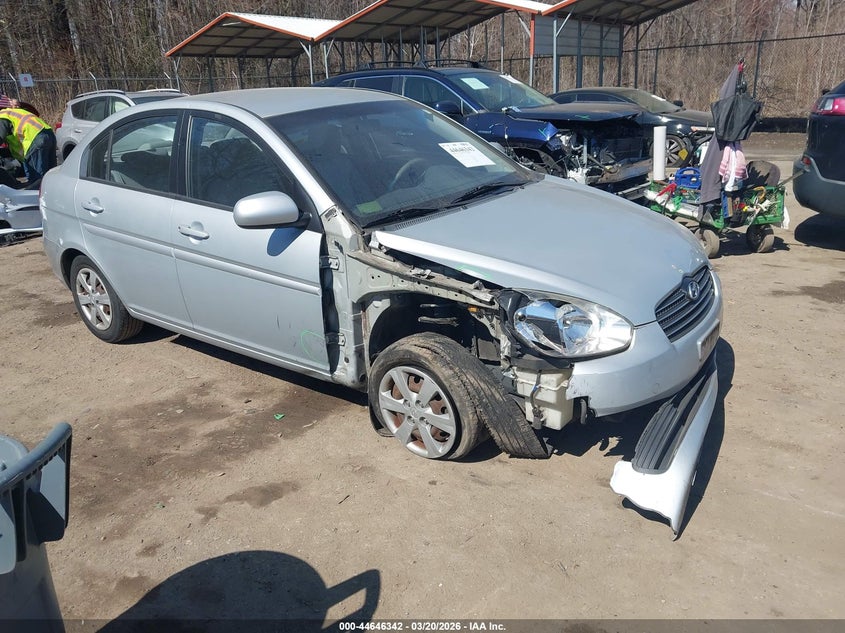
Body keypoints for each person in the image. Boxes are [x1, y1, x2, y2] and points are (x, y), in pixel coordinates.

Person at [0, 106, 57, 183]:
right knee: (51, 174)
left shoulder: (2, 117)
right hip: (48, 134)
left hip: (34, 138)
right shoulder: (12, 113)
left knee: (36, 179)